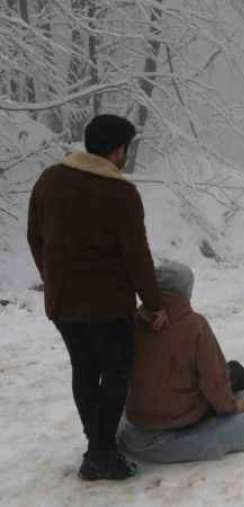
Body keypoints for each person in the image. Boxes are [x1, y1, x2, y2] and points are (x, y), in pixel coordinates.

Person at [27, 115, 168, 481]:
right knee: (116, 373)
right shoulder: (121, 193)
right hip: (108, 306)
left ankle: (98, 446)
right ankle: (102, 452)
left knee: (84, 370)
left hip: (63, 304)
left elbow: (34, 237)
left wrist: (53, 277)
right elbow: (137, 256)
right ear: (117, 150)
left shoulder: (49, 180)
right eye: (126, 149)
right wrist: (154, 304)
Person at [118, 261, 244, 464]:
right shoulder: (194, 325)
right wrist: (232, 406)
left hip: (140, 417)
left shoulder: (134, 321)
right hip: (180, 417)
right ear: (184, 290)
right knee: (234, 371)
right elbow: (213, 382)